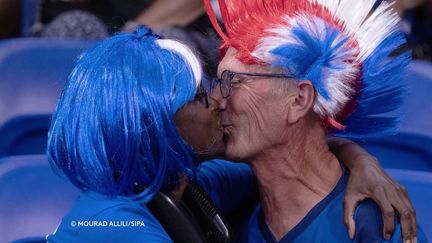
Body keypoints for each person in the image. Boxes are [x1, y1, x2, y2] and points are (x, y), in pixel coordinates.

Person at [47, 27, 417, 242]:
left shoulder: (188, 186)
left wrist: (360, 159)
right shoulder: (113, 224)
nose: (216, 102)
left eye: (230, 83)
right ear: (152, 125)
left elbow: (290, 162)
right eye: (197, 96)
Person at [204, 0, 428, 242]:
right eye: (218, 82)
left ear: (300, 100)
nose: (216, 99)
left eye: (233, 81)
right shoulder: (227, 199)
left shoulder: (374, 228)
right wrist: (358, 156)